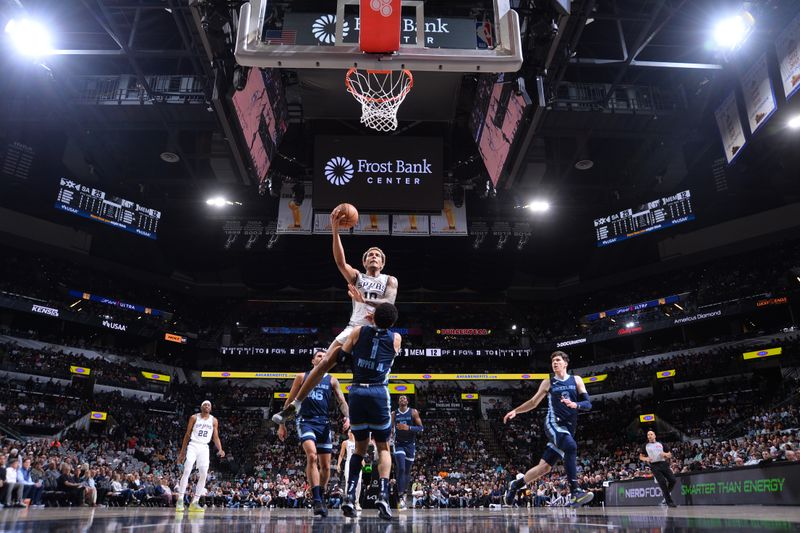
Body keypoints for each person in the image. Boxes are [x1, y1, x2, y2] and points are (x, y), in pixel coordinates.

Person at [272, 302, 401, 520]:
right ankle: (382, 495)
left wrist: (362, 320)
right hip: (379, 392)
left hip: (358, 392)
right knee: (383, 447)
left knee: (359, 450)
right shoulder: (396, 339)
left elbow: (341, 357)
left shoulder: (359, 331)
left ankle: (349, 496)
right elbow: (385, 333)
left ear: (371, 316)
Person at [503, 351, 594, 507]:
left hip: (569, 428)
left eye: (558, 360)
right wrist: (516, 411)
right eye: (553, 361)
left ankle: (516, 485)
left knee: (544, 468)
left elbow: (588, 403)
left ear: (565, 363)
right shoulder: (548, 382)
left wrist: (575, 404)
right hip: (553, 424)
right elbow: (533, 402)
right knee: (571, 446)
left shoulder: (576, 380)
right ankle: (575, 492)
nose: (555, 363)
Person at [278, 350, 350, 517]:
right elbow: (290, 401)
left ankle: (321, 493)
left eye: (325, 355)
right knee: (312, 456)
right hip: (305, 420)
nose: (323, 357)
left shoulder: (332, 379)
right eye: (319, 355)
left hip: (324, 423)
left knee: (326, 466)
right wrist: (282, 424)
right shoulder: (301, 377)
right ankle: (317, 499)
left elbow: (342, 401)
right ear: (312, 361)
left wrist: (348, 417)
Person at [327, 206, 398, 350]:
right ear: (364, 262)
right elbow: (340, 263)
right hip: (354, 326)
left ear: (382, 264)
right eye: (370, 255)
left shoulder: (390, 280)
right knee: (325, 360)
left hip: (377, 328)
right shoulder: (357, 277)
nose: (374, 256)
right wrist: (335, 230)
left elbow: (388, 304)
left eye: (377, 256)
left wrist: (363, 300)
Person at [176, 400, 225, 513]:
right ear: (201, 407)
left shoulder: (214, 420)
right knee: (187, 470)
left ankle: (195, 502)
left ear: (211, 408)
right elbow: (187, 434)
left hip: (204, 447)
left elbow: (216, 437)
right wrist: (182, 452)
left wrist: (220, 449)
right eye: (205, 404)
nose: (207, 406)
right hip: (193, 445)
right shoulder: (194, 417)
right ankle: (180, 499)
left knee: (203, 474)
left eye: (209, 405)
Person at [392, 395, 423, 510]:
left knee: (407, 471)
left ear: (407, 401)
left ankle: (404, 493)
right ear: (398, 401)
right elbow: (390, 428)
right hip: (399, 444)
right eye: (400, 398)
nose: (402, 399)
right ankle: (400, 496)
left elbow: (421, 428)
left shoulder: (413, 412)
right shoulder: (394, 414)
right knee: (401, 468)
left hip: (410, 445)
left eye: (404, 398)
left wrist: (408, 428)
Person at [639, 430, 678, 508]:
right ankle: (669, 502)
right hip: (654, 465)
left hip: (663, 463)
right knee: (662, 482)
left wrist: (665, 454)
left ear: (655, 436)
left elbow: (670, 454)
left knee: (673, 480)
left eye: (651, 434)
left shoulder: (661, 444)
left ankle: (666, 493)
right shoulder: (645, 445)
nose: (649, 436)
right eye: (648, 434)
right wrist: (646, 458)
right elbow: (641, 457)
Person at [337, 431, 363, 512]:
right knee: (349, 482)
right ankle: (348, 501)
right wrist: (338, 464)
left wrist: (363, 461)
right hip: (348, 463)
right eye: (349, 432)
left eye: (352, 432)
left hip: (358, 462)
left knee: (358, 482)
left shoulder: (359, 442)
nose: (351, 433)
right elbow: (341, 455)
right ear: (348, 434)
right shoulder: (345, 442)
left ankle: (357, 502)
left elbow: (361, 454)